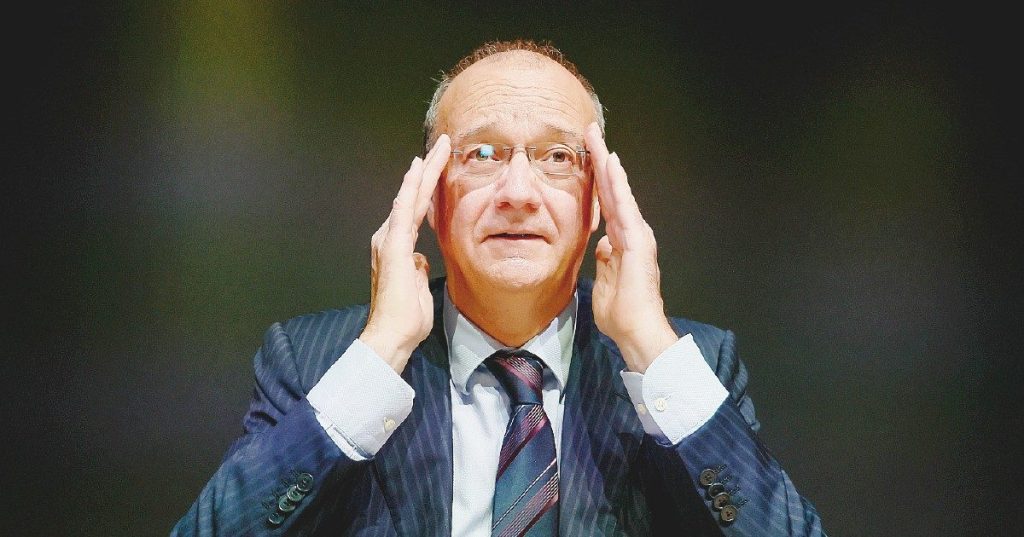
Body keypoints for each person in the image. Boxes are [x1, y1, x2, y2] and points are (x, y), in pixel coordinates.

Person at [172, 40, 825, 536]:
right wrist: (381, 353)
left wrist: (650, 344)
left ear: (598, 201)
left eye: (557, 158)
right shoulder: (314, 360)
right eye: (481, 155)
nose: (518, 192)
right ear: (432, 198)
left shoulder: (690, 365)